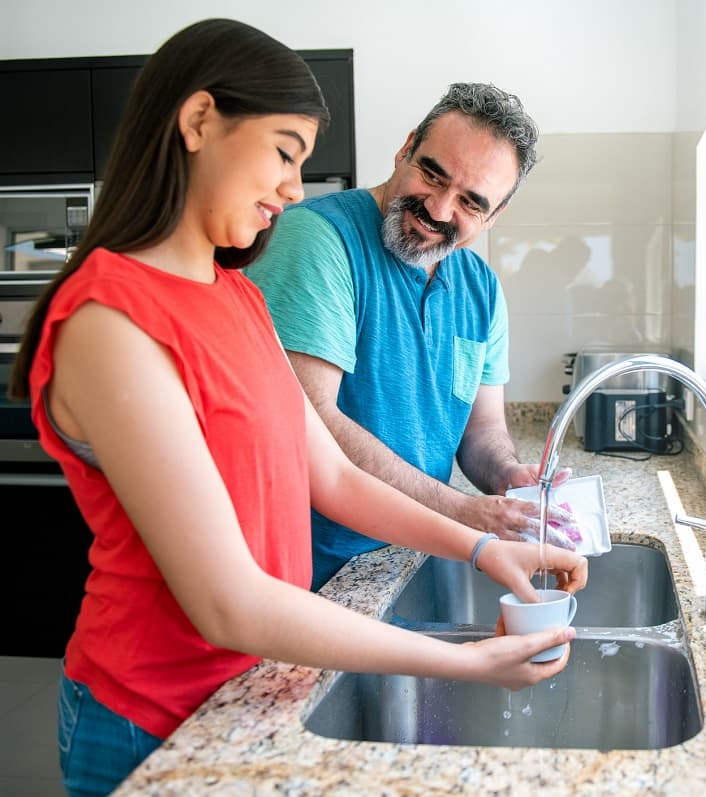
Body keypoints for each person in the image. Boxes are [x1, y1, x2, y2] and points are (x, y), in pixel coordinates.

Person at [8, 20, 587, 797]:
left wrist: (483, 551)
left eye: (300, 163)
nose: (291, 187)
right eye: (284, 152)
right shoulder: (110, 321)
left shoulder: (238, 296)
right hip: (150, 714)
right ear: (198, 120)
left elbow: (334, 479)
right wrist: (467, 661)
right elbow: (227, 603)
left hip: (261, 684)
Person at [246, 82, 577, 591]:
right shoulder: (317, 239)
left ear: (494, 216)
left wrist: (510, 478)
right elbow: (312, 424)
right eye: (431, 174)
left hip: (410, 566)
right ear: (406, 148)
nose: (440, 210)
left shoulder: (480, 289)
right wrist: (463, 512)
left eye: (471, 201)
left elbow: (481, 431)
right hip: (311, 578)